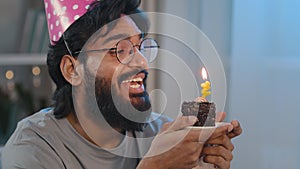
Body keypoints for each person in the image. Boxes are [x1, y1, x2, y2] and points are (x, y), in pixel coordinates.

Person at [1, 0, 242, 169]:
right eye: (120, 49)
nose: (142, 63)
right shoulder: (33, 149)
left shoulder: (163, 134)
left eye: (140, 47)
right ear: (72, 69)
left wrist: (203, 164)